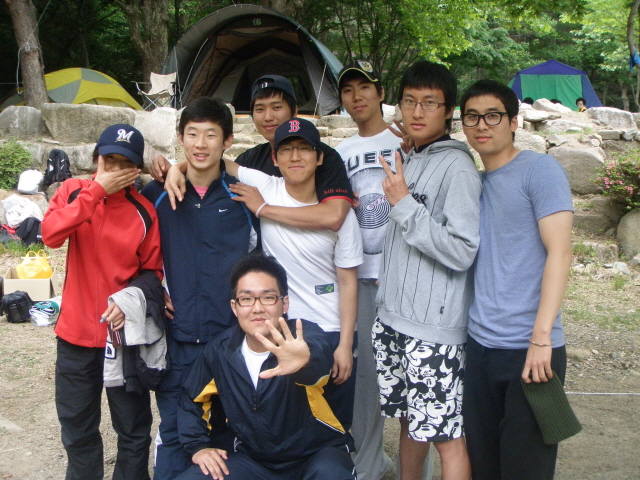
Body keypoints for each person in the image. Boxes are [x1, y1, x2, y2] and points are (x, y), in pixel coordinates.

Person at [217, 117, 363, 432]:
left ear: (320, 157)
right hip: (280, 329)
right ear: (274, 157)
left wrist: (345, 344)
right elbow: (216, 160)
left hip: (329, 328)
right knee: (282, 425)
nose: (295, 157)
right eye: (286, 149)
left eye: (304, 149)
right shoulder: (266, 186)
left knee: (334, 427)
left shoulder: (340, 213)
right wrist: (175, 168)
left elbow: (348, 281)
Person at [372, 60, 481, 480]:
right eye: (409, 101)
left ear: (449, 110)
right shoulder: (412, 156)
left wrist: (404, 205)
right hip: (394, 319)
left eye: (430, 103)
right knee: (409, 423)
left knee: (447, 437)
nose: (417, 112)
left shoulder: (459, 169)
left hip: (432, 332)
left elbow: (462, 250)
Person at [460, 79, 573, 480]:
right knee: (484, 464)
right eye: (472, 116)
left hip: (531, 350)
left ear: (513, 121)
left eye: (493, 115)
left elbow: (560, 252)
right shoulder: (473, 183)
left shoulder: (540, 170)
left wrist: (541, 339)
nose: (481, 125)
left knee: (526, 468)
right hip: (479, 348)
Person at [141, 97, 255, 480]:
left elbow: (265, 261)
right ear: (180, 138)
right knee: (175, 433)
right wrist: (153, 288)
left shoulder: (244, 196)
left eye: (211, 135)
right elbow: (130, 252)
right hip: (178, 341)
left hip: (231, 342)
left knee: (228, 439)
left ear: (228, 141)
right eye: (192, 134)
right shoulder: (157, 193)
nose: (201, 144)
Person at [42, 124, 163, 480]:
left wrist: (129, 301)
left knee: (133, 428)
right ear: (96, 159)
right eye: (109, 160)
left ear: (136, 170)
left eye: (125, 163)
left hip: (123, 338)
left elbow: (153, 270)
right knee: (77, 427)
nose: (115, 169)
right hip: (75, 336)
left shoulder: (144, 211)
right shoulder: (73, 191)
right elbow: (50, 235)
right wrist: (95, 192)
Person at [175, 254, 356, 480]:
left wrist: (304, 363)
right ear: (234, 307)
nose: (257, 308)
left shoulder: (305, 335)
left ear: (285, 303)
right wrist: (198, 446)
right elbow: (191, 397)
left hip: (317, 455)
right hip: (252, 460)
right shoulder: (220, 351)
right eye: (246, 299)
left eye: (268, 297)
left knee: (332, 474)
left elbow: (319, 363)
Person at [336, 60, 432, 480]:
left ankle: (420, 471)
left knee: (416, 377)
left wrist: (414, 143)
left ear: (380, 92)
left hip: (406, 275)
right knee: (364, 380)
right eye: (348, 90)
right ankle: (368, 464)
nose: (357, 96)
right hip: (360, 277)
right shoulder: (340, 152)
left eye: (364, 87)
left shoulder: (406, 139)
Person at [152, 74, 353, 232]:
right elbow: (216, 163)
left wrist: (263, 209)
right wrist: (176, 168)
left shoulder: (321, 156)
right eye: (259, 109)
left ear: (294, 111)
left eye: (276, 107)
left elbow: (334, 217)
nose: (268, 117)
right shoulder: (251, 159)